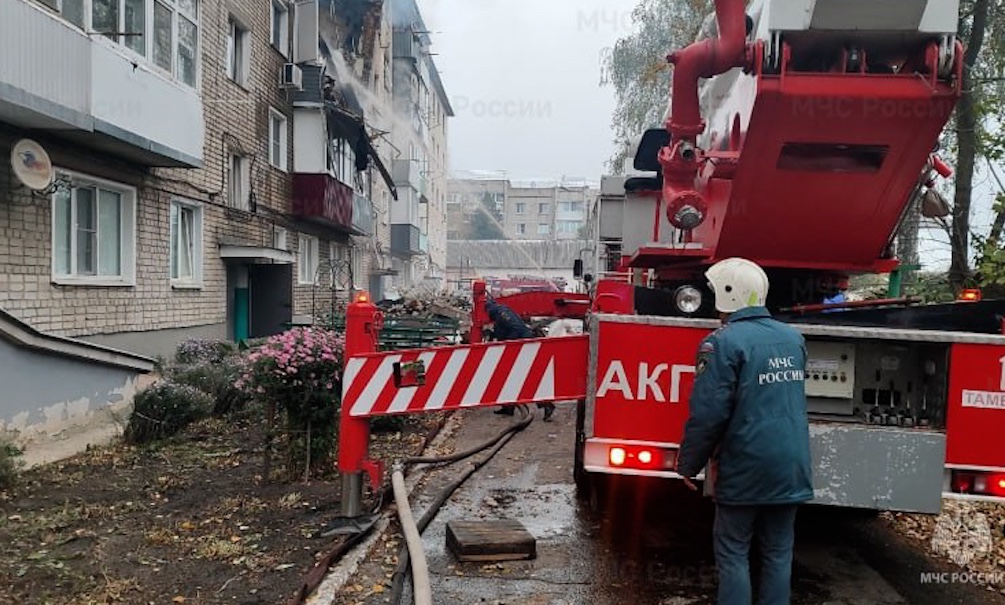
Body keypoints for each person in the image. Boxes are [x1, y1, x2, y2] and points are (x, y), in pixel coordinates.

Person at [673, 257, 813, 605]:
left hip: (746, 466)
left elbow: (708, 413)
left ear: (727, 294)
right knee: (778, 553)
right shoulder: (793, 339)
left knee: (733, 552)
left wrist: (688, 463)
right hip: (791, 468)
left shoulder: (721, 343)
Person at [485, 299, 556, 421]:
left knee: (524, 378)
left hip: (521, 348)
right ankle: (508, 406)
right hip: (519, 346)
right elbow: (501, 331)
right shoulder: (501, 314)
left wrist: (509, 344)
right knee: (506, 376)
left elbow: (516, 328)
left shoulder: (501, 314)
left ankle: (546, 405)